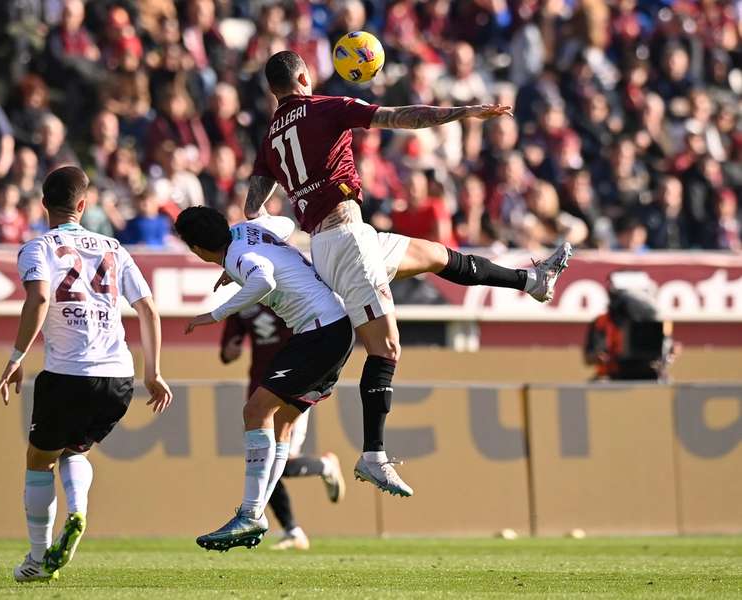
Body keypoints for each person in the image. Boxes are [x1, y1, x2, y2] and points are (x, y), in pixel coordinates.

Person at [241, 51, 573, 497]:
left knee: (436, 255)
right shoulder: (324, 106)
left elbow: (252, 206)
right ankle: (373, 454)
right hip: (346, 239)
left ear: (272, 89)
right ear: (304, 76)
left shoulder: (269, 138)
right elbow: (400, 117)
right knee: (387, 346)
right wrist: (464, 113)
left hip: (338, 237)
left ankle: (531, 282)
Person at [0, 166, 173, 582]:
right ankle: (77, 512)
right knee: (76, 449)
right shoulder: (113, 246)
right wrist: (154, 373)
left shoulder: (37, 247)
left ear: (43, 205)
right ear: (83, 205)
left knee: (39, 459)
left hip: (67, 372)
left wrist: (17, 357)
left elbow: (39, 297)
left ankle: (38, 559)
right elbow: (147, 308)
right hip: (118, 377)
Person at [177, 206, 353, 552]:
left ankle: (250, 514)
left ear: (196, 249)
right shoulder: (244, 233)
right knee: (282, 423)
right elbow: (285, 224)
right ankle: (254, 512)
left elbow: (264, 280)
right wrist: (251, 257)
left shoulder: (237, 255)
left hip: (319, 333)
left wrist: (215, 314)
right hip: (331, 328)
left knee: (255, 412)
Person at [219, 304, 345, 551]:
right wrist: (229, 350)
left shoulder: (286, 289)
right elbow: (227, 349)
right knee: (262, 464)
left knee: (280, 463)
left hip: (292, 387)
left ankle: (326, 466)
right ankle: (293, 531)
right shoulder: (241, 301)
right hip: (258, 394)